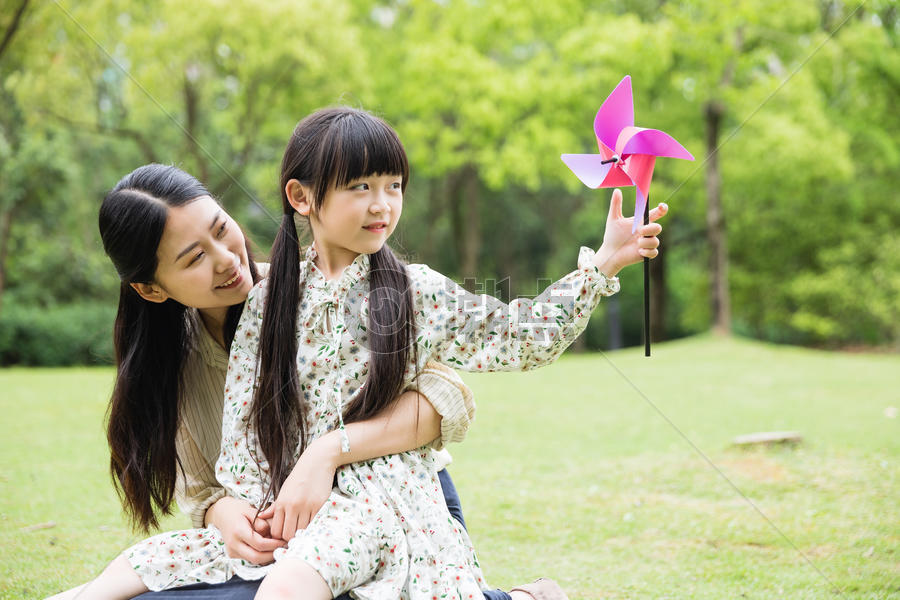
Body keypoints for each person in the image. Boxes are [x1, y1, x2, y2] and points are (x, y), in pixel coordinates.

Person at [47, 164, 523, 600]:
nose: (226, 260)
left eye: (220, 230)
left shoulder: (315, 293)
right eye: (194, 258)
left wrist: (326, 453)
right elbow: (205, 488)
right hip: (284, 535)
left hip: (399, 505)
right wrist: (224, 515)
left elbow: (443, 396)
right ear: (152, 289)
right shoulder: (175, 360)